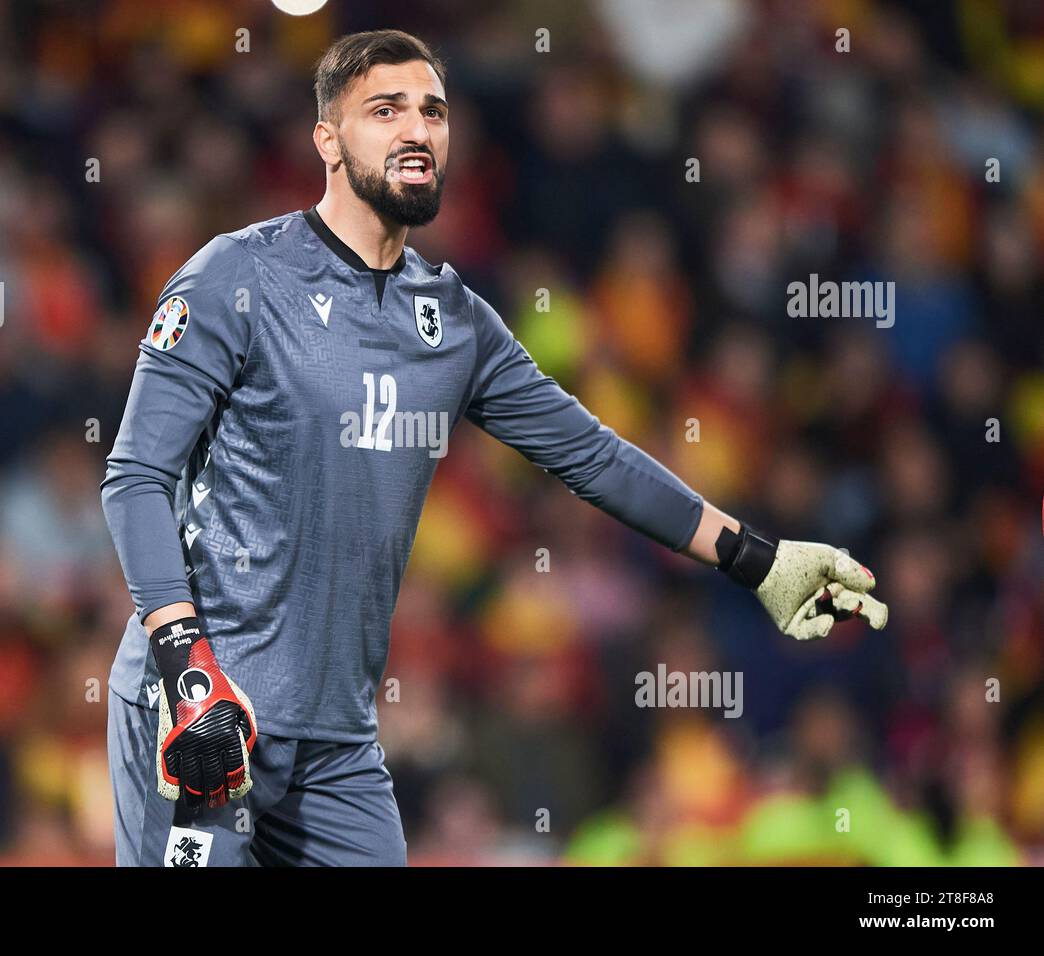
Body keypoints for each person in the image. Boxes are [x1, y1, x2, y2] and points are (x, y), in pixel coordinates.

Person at [100, 29, 888, 867]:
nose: (418, 130)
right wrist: (187, 665)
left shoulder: (455, 323)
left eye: (433, 111)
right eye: (385, 110)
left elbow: (592, 456)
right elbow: (135, 477)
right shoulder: (236, 277)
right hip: (202, 712)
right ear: (327, 139)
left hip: (335, 748)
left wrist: (759, 561)